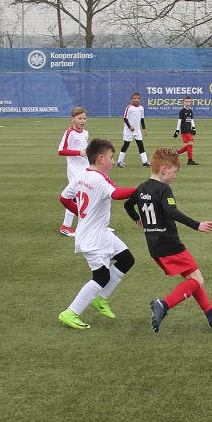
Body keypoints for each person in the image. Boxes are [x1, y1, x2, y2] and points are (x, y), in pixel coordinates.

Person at [124, 148, 212, 332]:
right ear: (164, 169)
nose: (175, 176)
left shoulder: (142, 188)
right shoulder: (164, 189)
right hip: (170, 244)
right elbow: (171, 211)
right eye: (174, 172)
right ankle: (163, 304)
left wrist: (137, 218)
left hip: (154, 245)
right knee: (198, 280)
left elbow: (128, 204)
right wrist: (197, 225)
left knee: (191, 278)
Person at [57, 138, 137, 330]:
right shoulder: (99, 180)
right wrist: (143, 188)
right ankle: (70, 313)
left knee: (126, 259)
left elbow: (64, 198)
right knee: (101, 276)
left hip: (101, 232)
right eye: (111, 157)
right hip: (92, 238)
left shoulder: (81, 176)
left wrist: (82, 214)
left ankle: (100, 298)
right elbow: (117, 194)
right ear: (101, 158)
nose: (113, 161)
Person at [58, 107, 89, 237]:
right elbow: (61, 151)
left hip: (86, 168)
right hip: (74, 170)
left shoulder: (86, 133)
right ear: (72, 119)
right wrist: (79, 153)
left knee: (90, 195)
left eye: (84, 118)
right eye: (79, 118)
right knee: (76, 197)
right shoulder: (69, 133)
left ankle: (95, 225)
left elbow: (85, 150)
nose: (82, 121)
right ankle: (65, 226)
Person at [117, 93, 149, 168]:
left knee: (140, 145)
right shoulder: (129, 108)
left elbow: (142, 119)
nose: (136, 100)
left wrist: (144, 129)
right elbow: (125, 118)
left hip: (137, 131)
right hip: (129, 131)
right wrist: (129, 127)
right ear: (132, 99)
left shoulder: (141, 108)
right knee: (126, 145)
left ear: (140, 99)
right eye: (135, 98)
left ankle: (145, 162)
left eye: (138, 98)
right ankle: (119, 161)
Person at [173, 95, 199, 165]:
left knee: (190, 144)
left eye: (189, 102)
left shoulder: (190, 111)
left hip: (189, 129)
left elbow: (191, 120)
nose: (188, 103)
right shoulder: (182, 111)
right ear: (183, 102)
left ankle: (176, 153)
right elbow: (179, 121)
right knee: (190, 143)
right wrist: (177, 130)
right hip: (184, 129)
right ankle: (190, 160)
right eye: (186, 101)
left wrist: (193, 128)